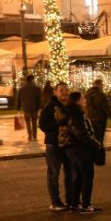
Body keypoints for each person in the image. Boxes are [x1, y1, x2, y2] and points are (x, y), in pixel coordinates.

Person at [56, 91, 102, 214]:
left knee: (79, 176)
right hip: (78, 147)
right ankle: (86, 205)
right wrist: (96, 144)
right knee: (88, 176)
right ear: (77, 101)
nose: (85, 100)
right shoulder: (76, 113)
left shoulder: (69, 112)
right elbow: (81, 134)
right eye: (83, 98)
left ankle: (74, 204)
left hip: (71, 147)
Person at [38, 82, 71, 211]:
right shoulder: (49, 107)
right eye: (61, 90)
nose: (64, 92)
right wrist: (58, 123)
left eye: (66, 90)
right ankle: (55, 202)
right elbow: (43, 125)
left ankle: (71, 199)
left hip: (68, 145)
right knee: (53, 174)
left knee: (70, 173)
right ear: (55, 92)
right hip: (54, 145)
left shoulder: (70, 106)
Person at [85, 78, 111, 147]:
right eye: (102, 85)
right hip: (100, 119)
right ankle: (100, 152)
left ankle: (94, 152)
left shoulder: (86, 95)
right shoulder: (101, 95)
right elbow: (107, 109)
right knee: (100, 138)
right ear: (100, 85)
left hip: (90, 119)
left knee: (93, 137)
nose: (103, 86)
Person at [17, 74, 41, 142]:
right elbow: (39, 99)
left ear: (26, 80)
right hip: (35, 108)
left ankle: (29, 136)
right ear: (32, 80)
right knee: (34, 122)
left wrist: (18, 108)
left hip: (26, 108)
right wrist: (39, 107)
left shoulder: (21, 89)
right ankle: (35, 136)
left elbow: (18, 99)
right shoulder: (37, 88)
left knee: (27, 122)